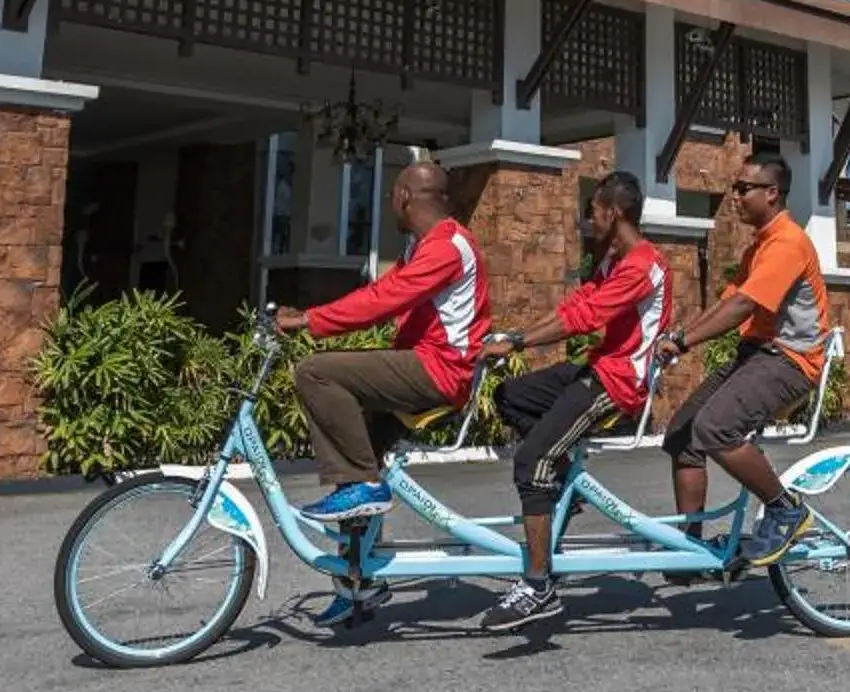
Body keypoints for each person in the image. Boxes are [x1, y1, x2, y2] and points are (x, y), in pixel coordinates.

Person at [273, 160, 487, 627]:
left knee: (316, 372)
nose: (391, 202)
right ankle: (357, 585)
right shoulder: (423, 246)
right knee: (355, 467)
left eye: (392, 194)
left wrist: (308, 321)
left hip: (440, 371)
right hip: (421, 364)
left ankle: (366, 487)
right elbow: (385, 290)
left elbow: (382, 302)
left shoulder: (448, 246)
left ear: (405, 196)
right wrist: (312, 314)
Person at [474, 170, 666, 633]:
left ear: (613, 211)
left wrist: (518, 343)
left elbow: (585, 317)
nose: (588, 220)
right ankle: (558, 486)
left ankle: (538, 586)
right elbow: (575, 303)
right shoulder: (614, 260)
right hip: (596, 368)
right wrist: (514, 336)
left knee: (531, 462)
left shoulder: (642, 265)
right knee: (510, 396)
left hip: (619, 383)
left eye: (593, 211)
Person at [651, 153, 827, 575]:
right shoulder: (761, 245)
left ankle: (786, 511)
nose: (735, 196)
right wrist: (678, 336)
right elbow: (730, 301)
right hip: (759, 353)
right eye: (734, 187)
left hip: (790, 359)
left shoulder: (787, 242)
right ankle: (690, 548)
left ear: (772, 193)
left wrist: (685, 342)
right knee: (683, 435)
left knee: (716, 428)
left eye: (743, 188)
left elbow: (745, 305)